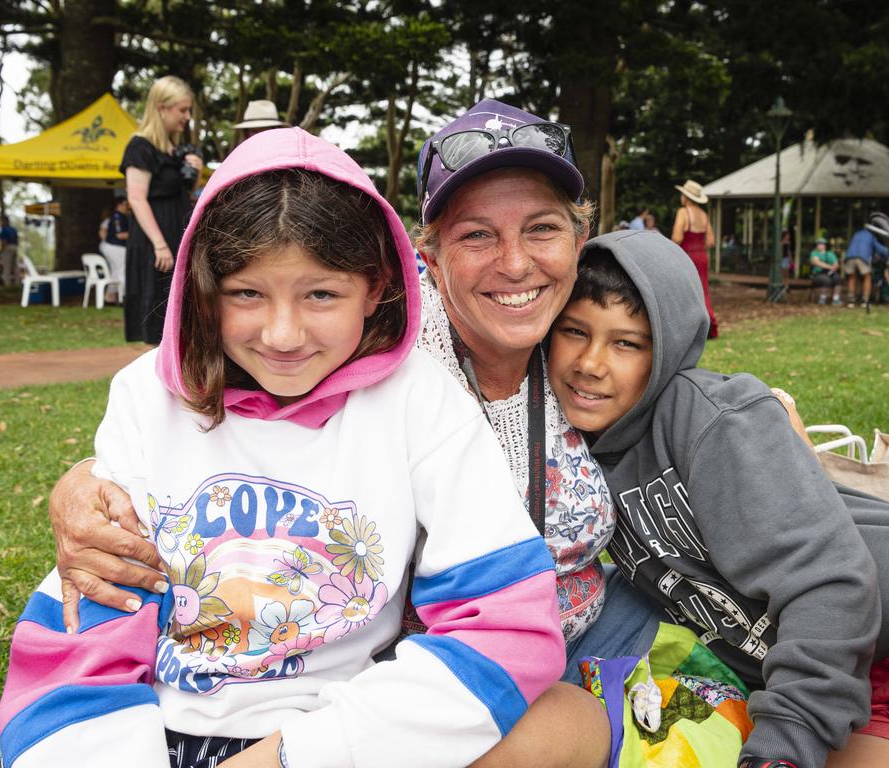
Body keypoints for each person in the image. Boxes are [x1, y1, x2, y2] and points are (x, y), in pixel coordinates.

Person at [42, 98, 664, 768]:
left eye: (541, 230)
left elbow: (508, 623)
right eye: (478, 235)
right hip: (199, 719)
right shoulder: (156, 395)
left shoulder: (581, 358)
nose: (514, 264)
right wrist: (86, 485)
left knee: (572, 721)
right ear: (425, 259)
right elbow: (91, 619)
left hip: (368, 719)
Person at [547, 228, 889, 768]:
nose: (590, 362)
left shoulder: (708, 418)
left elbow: (833, 586)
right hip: (869, 704)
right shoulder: (570, 459)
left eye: (626, 341)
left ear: (670, 345)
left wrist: (782, 749)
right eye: (574, 331)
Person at [121, 75, 203, 344]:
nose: (187, 117)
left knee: (179, 319)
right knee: (156, 321)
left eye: (188, 110)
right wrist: (159, 244)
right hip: (154, 243)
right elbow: (136, 198)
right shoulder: (140, 147)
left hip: (176, 236)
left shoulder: (174, 150)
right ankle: (152, 383)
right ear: (161, 108)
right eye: (182, 110)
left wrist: (195, 175)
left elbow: (181, 196)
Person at [671, 179, 718, 338]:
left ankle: (688, 327)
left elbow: (677, 237)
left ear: (686, 197)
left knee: (684, 291)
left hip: (687, 256)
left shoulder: (683, 212)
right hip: (702, 256)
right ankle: (708, 325)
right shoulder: (703, 215)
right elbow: (711, 241)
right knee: (702, 291)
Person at [842, 225, 889, 308]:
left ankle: (851, 301)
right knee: (867, 277)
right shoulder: (871, 236)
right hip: (862, 257)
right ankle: (865, 300)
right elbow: (881, 250)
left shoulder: (856, 234)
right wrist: (888, 253)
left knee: (852, 277)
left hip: (850, 256)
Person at [99, 191, 129, 303]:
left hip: (113, 246)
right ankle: (123, 297)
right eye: (125, 204)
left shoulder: (119, 217)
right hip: (115, 247)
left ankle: (109, 297)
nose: (127, 207)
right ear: (119, 204)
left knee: (115, 272)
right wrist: (137, 235)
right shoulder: (118, 217)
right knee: (122, 271)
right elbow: (120, 234)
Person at [809, 236, 842, 305]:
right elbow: (816, 262)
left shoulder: (830, 254)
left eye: (821, 244)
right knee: (826, 280)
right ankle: (822, 298)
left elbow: (836, 264)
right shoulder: (814, 253)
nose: (819, 245)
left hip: (829, 273)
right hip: (818, 274)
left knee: (838, 278)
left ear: (825, 245)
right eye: (818, 244)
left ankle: (836, 299)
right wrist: (830, 267)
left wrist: (833, 267)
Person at [0, 213, 18, 287]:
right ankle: (17, 282)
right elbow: (17, 241)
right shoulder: (13, 229)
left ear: (4, 221)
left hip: (8, 248)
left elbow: (4, 242)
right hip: (14, 247)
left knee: (6, 266)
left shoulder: (4, 230)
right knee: (14, 266)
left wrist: (2, 251)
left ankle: (7, 284)